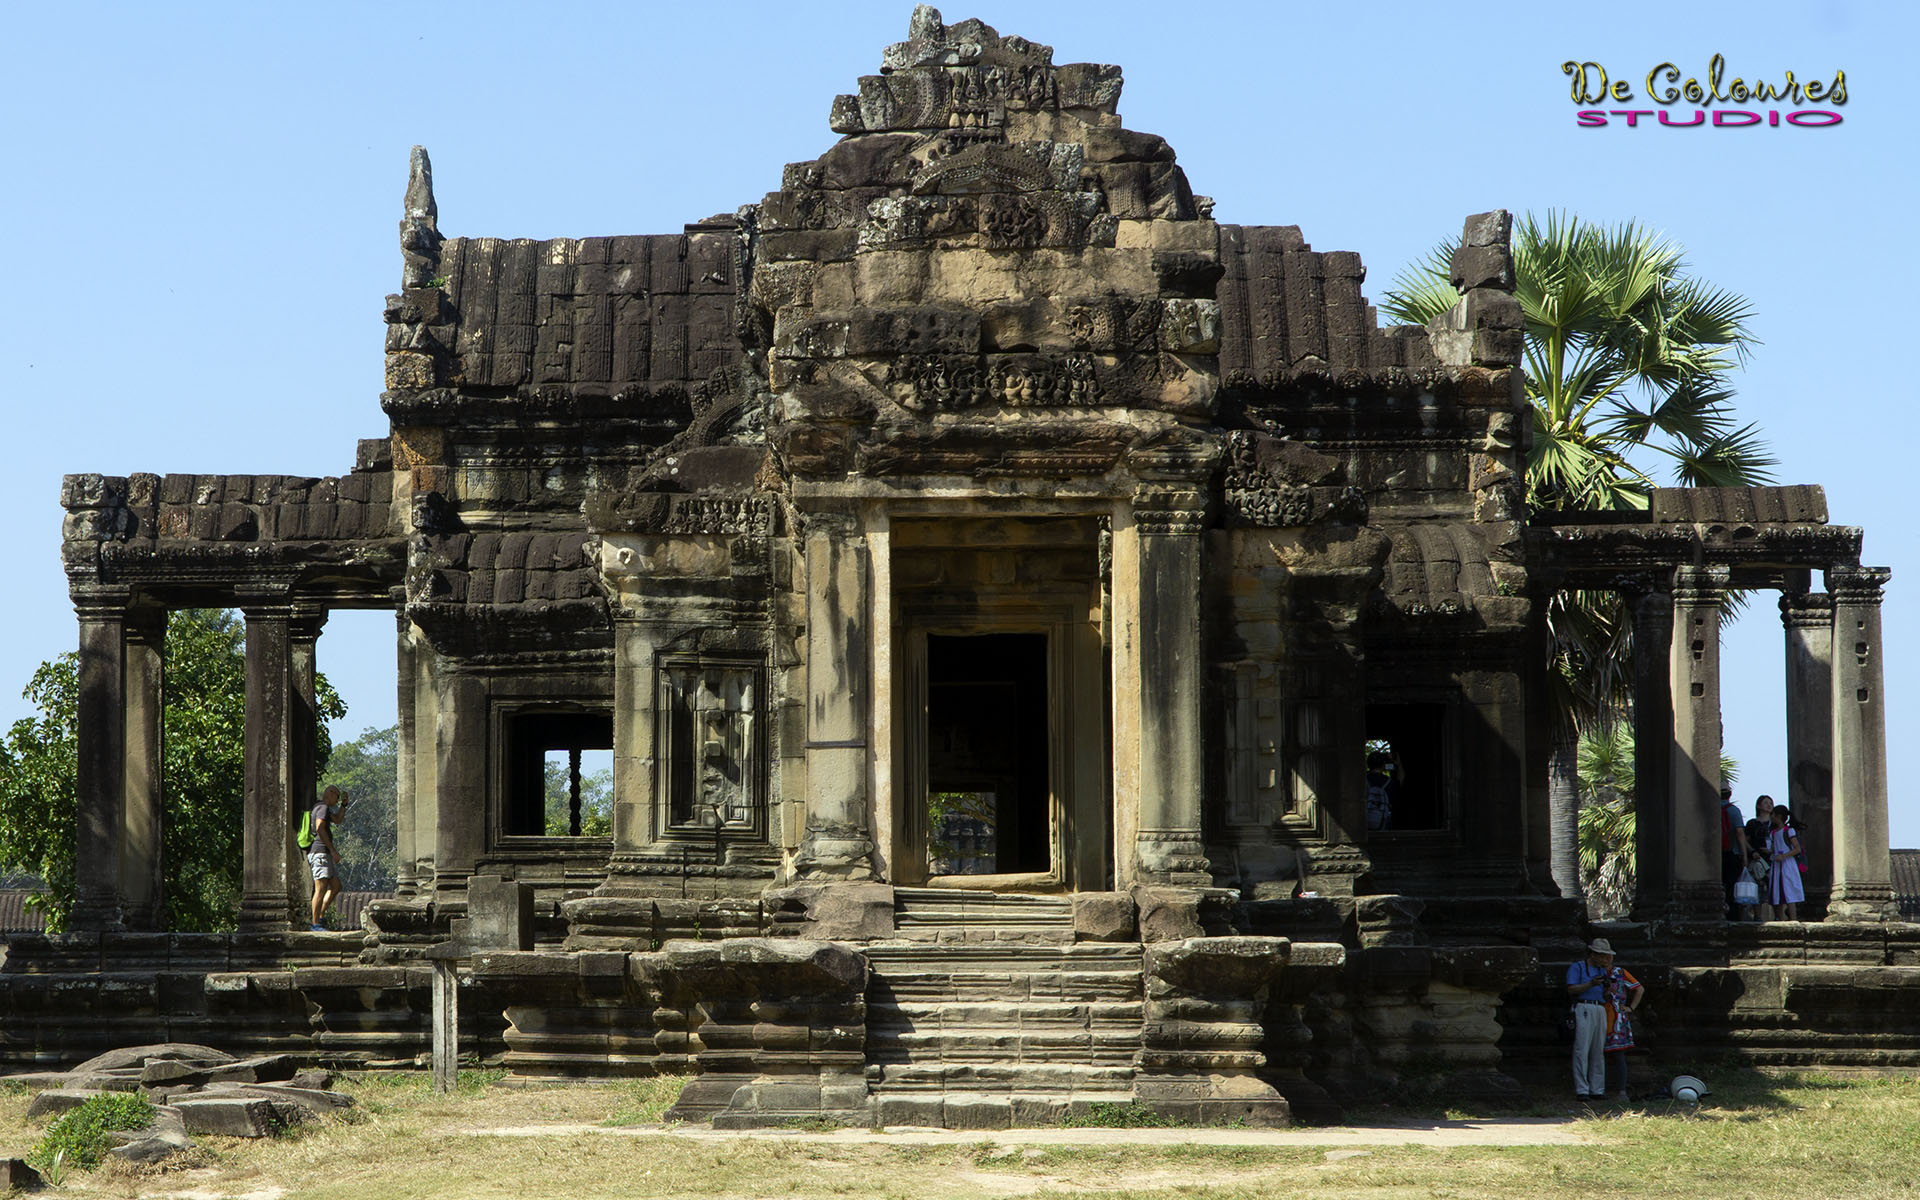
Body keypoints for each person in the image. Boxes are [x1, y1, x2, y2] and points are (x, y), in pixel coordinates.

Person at [1565, 937, 1616, 1101]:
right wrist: (1590, 984)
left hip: (1600, 1007)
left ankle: (1597, 1089)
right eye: (1601, 955)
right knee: (1582, 1049)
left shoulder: (1602, 971)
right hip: (1583, 1006)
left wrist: (1607, 988)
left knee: (1598, 1050)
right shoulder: (1578, 967)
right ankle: (1582, 1089)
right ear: (1592, 954)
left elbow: (1605, 994)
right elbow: (1572, 989)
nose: (1603, 959)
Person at [307, 786, 350, 931]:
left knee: (336, 886)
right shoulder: (322, 807)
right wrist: (333, 851)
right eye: (337, 797)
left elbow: (337, 820)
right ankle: (315, 923)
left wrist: (344, 805)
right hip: (320, 852)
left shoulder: (324, 809)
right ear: (330, 794)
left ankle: (320, 916)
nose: (337, 801)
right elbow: (320, 828)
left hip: (324, 854)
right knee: (321, 888)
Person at [1602, 957, 1645, 1102]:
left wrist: (1630, 1008)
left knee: (1618, 1055)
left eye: (1607, 957)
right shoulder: (1595, 972)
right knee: (1598, 1054)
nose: (1604, 960)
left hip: (1617, 1019)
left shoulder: (1620, 973)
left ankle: (1621, 1091)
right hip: (1599, 1014)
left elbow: (1639, 989)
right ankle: (1600, 1090)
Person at [1768, 803, 1805, 921]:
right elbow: (1773, 847)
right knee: (1777, 892)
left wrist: (1783, 856)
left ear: (1778, 816)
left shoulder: (1789, 831)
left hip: (1787, 865)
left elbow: (1797, 849)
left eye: (1772, 814)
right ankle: (1780, 919)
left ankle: (1793, 919)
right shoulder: (1773, 833)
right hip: (1777, 865)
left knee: (1789, 892)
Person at [1719, 786, 1749, 920]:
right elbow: (1740, 833)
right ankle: (1733, 916)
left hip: (1716, 855)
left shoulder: (1711, 808)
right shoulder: (1734, 811)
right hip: (1733, 853)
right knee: (1732, 886)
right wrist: (1745, 855)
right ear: (1730, 795)